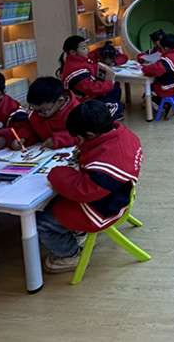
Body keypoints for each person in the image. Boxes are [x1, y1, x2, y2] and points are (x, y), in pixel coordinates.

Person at [37, 100, 142, 273]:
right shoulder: (121, 134)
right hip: (118, 194)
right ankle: (77, 233)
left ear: (90, 135)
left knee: (42, 221)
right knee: (51, 201)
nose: (79, 142)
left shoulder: (109, 163)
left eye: (80, 138)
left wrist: (57, 173)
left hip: (104, 208)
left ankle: (70, 255)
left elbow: (83, 190)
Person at [58, 35, 124, 120]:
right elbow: (90, 88)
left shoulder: (81, 59)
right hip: (82, 102)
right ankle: (98, 121)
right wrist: (108, 84)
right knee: (118, 106)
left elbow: (122, 57)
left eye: (86, 47)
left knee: (115, 89)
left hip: (90, 95)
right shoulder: (75, 70)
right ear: (73, 52)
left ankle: (107, 110)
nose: (87, 50)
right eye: (84, 48)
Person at [18, 77, 80, 148]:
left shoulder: (77, 113)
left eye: (42, 111)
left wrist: (57, 140)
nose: (38, 114)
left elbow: (80, 135)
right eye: (33, 109)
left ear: (60, 101)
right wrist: (24, 137)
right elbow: (32, 129)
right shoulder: (37, 112)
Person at [140, 33, 174, 117]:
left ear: (166, 48)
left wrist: (144, 68)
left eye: (161, 48)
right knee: (154, 86)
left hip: (170, 89)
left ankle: (165, 105)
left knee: (148, 95)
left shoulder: (168, 60)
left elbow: (154, 69)